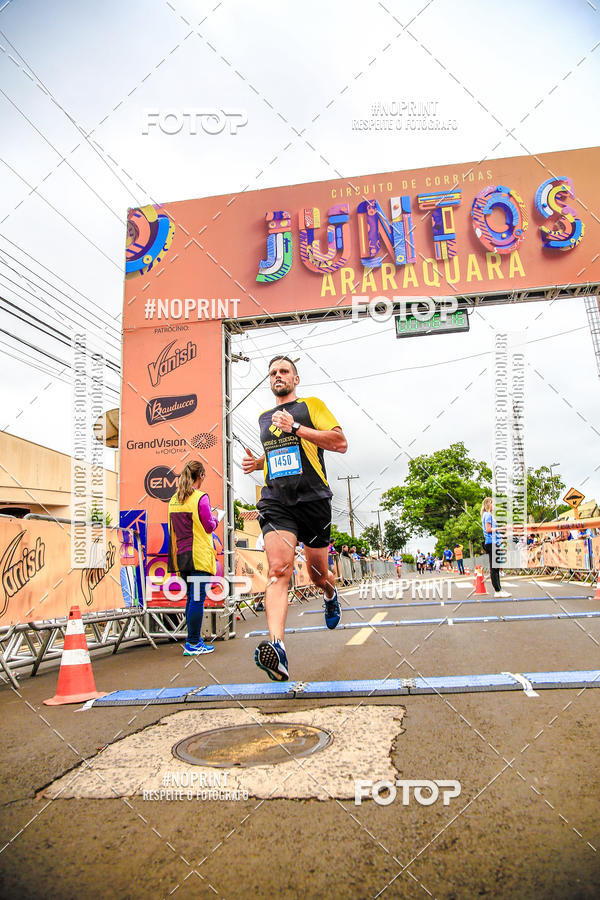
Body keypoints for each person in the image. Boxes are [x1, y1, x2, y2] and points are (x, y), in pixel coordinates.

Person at [242, 355, 347, 681]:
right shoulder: (264, 418)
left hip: (314, 500)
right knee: (278, 570)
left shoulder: (310, 406)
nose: (278, 376)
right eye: (273, 372)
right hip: (277, 502)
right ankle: (278, 648)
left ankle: (330, 595)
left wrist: (299, 427)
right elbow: (280, 455)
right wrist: (258, 464)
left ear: (295, 379)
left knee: (317, 575)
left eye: (284, 371)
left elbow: (340, 443)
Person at [167, 460, 218, 655]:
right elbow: (208, 526)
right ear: (201, 476)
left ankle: (193, 640)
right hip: (198, 555)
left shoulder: (174, 499)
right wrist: (215, 519)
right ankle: (194, 642)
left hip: (181, 556)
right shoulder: (200, 498)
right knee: (197, 599)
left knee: (191, 598)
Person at [481, 497, 511, 598]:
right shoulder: (488, 515)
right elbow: (489, 529)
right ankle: (498, 590)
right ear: (488, 504)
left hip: (493, 542)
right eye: (493, 504)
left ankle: (499, 589)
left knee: (496, 567)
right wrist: (501, 528)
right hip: (491, 543)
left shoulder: (487, 515)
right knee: (494, 568)